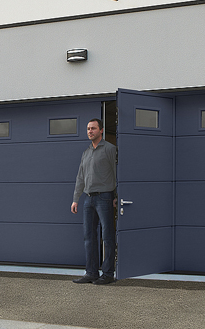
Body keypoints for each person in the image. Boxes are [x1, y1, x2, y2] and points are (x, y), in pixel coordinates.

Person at [71, 118, 116, 285]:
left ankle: (108, 274)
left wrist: (116, 196)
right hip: (88, 199)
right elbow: (80, 177)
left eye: (93, 128)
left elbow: (118, 173)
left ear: (101, 130)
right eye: (88, 129)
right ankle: (91, 272)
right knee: (89, 237)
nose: (90, 131)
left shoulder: (110, 149)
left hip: (104, 197)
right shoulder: (86, 152)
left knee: (107, 236)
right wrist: (76, 199)